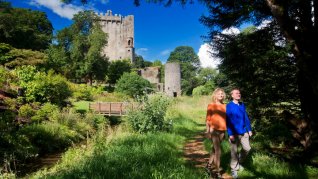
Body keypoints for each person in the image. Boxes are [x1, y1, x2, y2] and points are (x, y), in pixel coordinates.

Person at [226, 88, 252, 179]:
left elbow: (246, 117)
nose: (239, 94)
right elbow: (228, 121)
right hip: (234, 132)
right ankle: (234, 169)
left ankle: (238, 162)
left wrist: (249, 129)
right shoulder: (229, 106)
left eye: (239, 93)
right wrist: (230, 134)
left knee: (247, 148)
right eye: (236, 93)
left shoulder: (242, 104)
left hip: (244, 131)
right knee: (234, 151)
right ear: (232, 95)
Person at [205, 88, 227, 178]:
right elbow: (208, 119)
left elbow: (227, 119)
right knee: (218, 150)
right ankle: (218, 171)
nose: (221, 95)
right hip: (213, 130)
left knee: (214, 150)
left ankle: (208, 165)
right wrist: (207, 131)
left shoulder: (226, 106)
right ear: (215, 95)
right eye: (219, 94)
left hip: (222, 130)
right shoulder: (211, 105)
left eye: (222, 94)